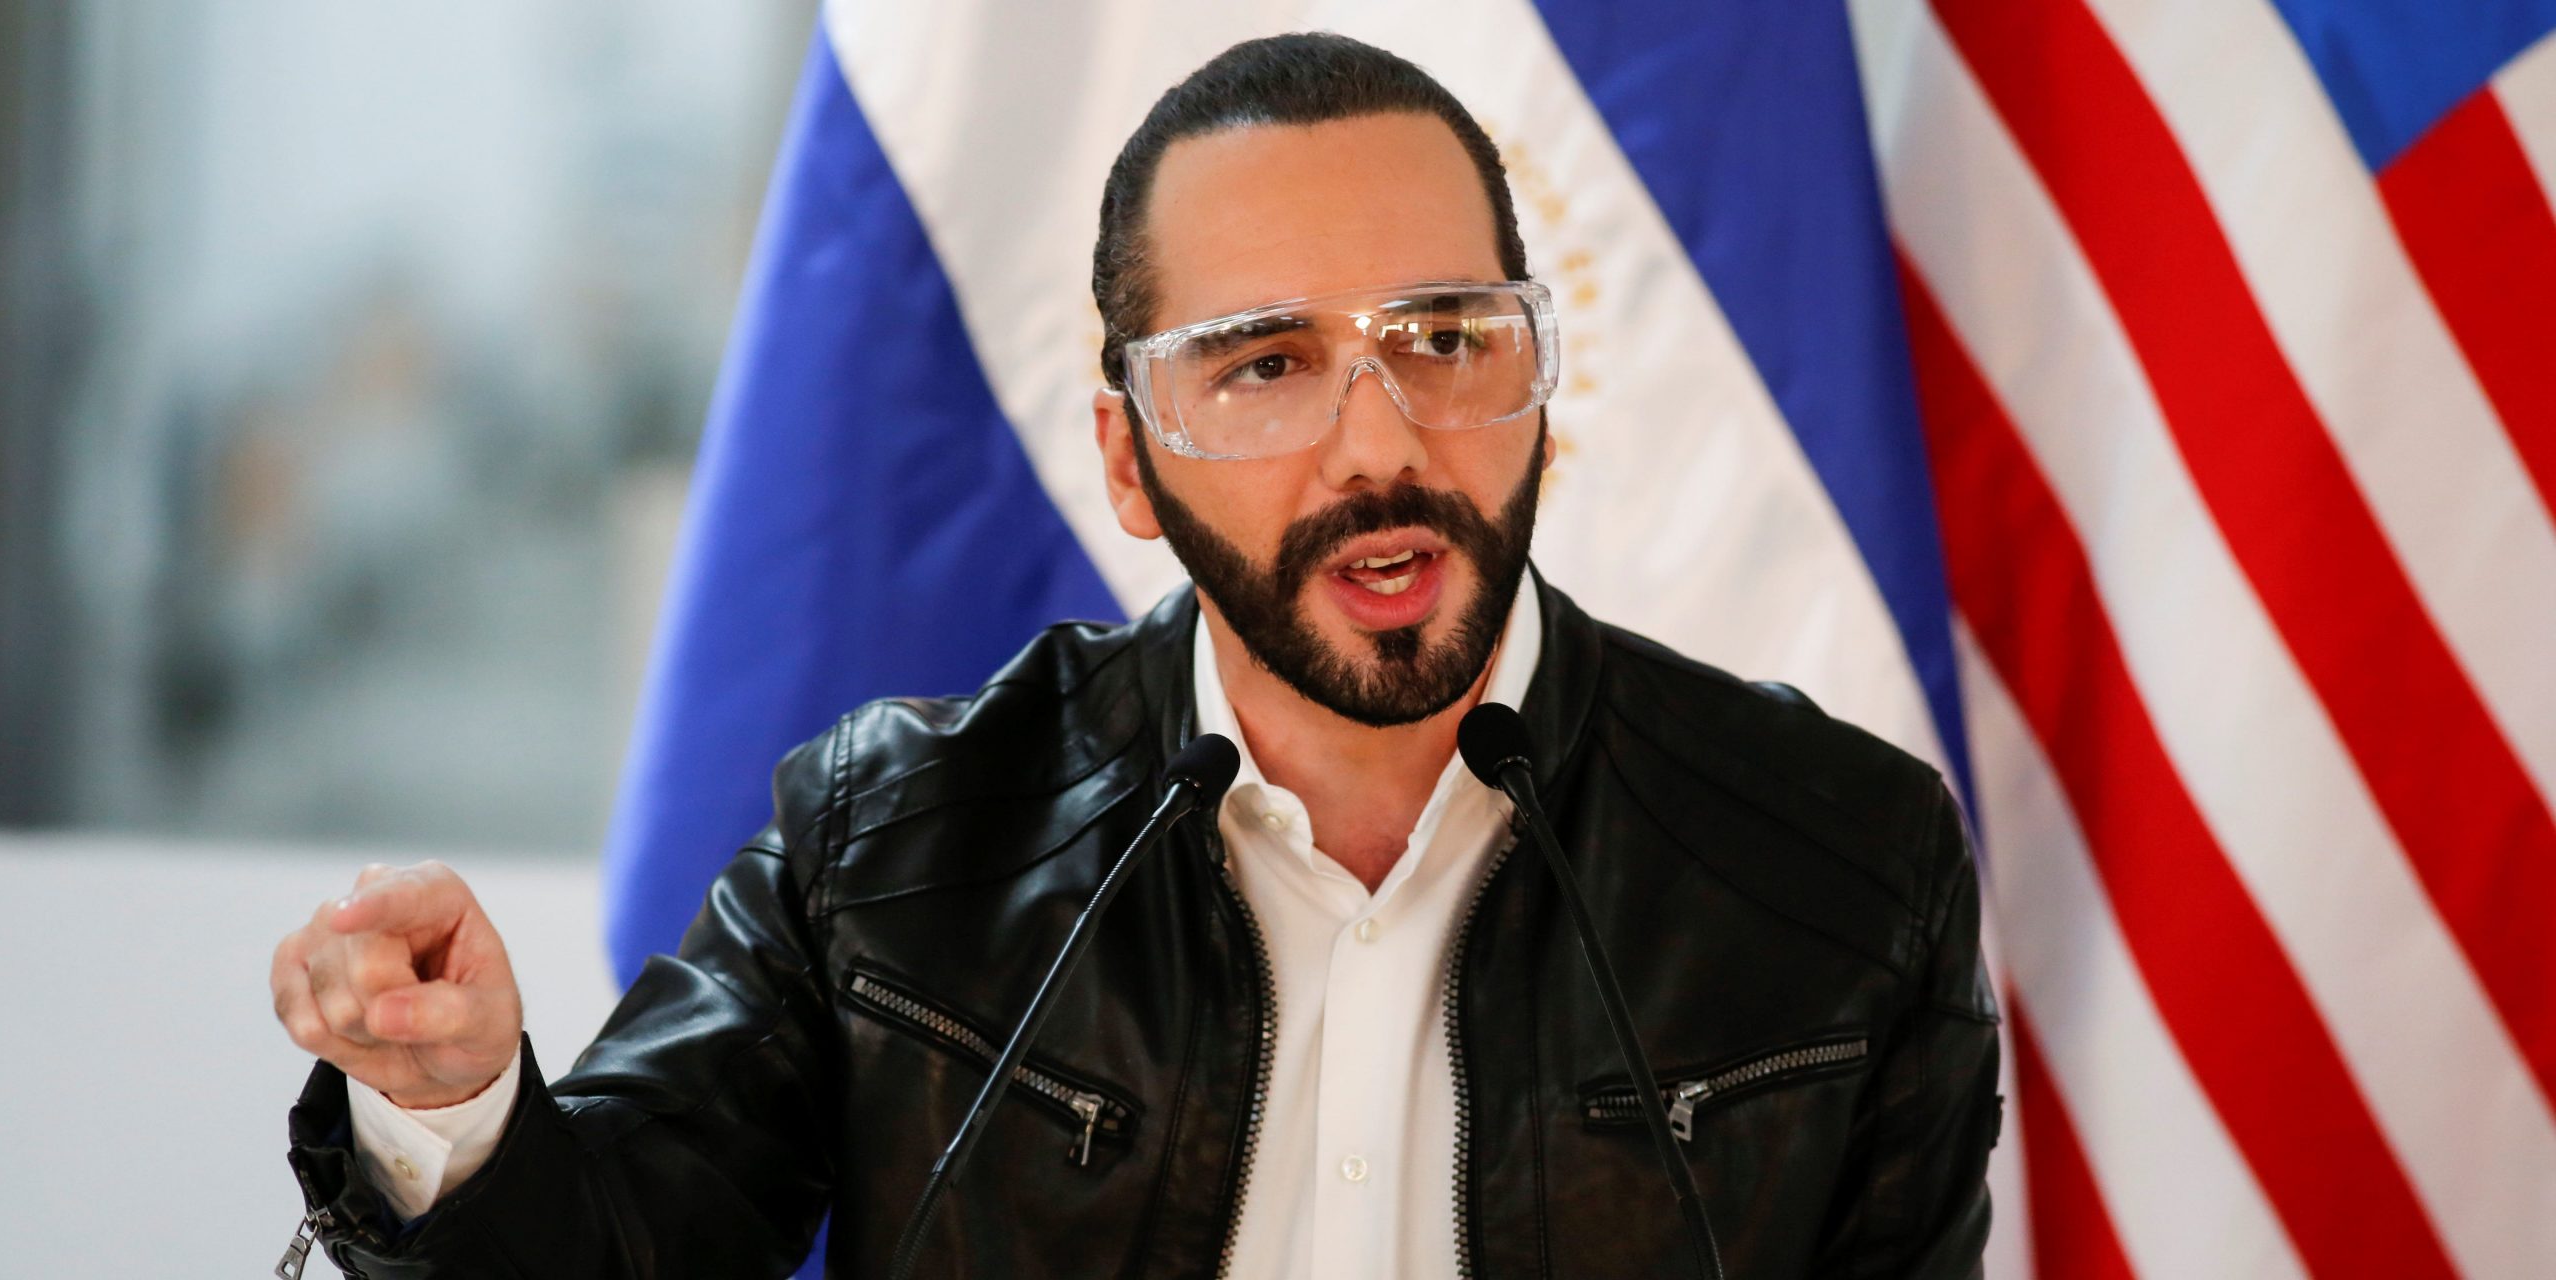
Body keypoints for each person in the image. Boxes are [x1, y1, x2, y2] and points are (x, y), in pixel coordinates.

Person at [271, 32, 2000, 1278]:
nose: (1381, 444)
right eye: (1264, 366)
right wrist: (461, 1099)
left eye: (1448, 339)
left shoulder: (1845, 865)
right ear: (1127, 459)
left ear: (1537, 372)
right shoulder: (890, 843)